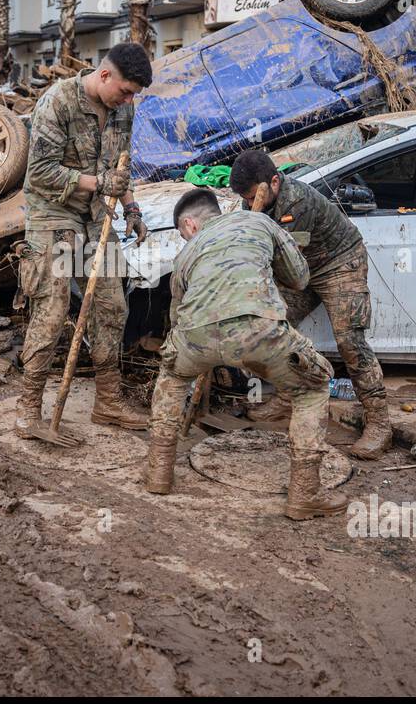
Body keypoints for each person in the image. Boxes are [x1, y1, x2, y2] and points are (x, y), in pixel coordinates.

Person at [145, 188, 350, 519]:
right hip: (259, 330)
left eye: (183, 234)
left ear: (190, 225)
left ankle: (158, 473)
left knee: (172, 374)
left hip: (196, 336)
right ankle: (304, 495)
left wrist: (183, 349)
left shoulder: (184, 257)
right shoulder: (259, 222)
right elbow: (299, 278)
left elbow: (176, 317)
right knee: (312, 388)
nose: (185, 239)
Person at [14, 42, 153, 440]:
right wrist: (96, 183)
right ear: (104, 74)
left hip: (96, 219)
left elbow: (118, 167)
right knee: (53, 309)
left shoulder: (125, 109)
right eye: (125, 90)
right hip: (53, 215)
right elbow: (39, 171)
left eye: (134, 95)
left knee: (111, 306)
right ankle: (28, 411)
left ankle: (107, 402)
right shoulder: (57, 102)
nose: (128, 100)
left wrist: (132, 210)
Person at [229, 150, 392, 459]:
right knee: (270, 329)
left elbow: (283, 260)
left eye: (253, 198)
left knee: (350, 342)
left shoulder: (297, 203)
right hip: (300, 269)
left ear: (273, 182)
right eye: (246, 200)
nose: (250, 204)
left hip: (338, 262)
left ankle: (379, 424)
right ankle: (289, 397)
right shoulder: (255, 201)